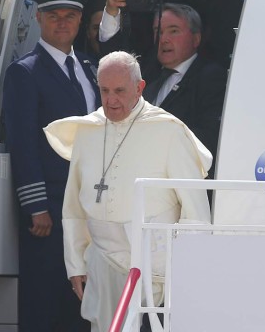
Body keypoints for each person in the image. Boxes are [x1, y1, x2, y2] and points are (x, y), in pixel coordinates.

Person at [44, 51, 211, 332]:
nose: (111, 100)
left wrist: (184, 274)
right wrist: (75, 265)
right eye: (104, 90)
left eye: (120, 91)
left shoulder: (168, 130)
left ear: (139, 87)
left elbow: (196, 212)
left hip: (152, 266)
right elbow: (73, 208)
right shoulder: (88, 130)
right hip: (101, 262)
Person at [2, 0, 99, 332]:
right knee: (46, 298)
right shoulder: (25, 72)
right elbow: (23, 142)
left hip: (90, 207)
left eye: (70, 15)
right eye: (54, 15)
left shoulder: (91, 68)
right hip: (51, 209)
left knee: (85, 296)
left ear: (79, 19)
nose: (63, 23)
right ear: (40, 19)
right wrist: (35, 205)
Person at [100, 0, 227, 178]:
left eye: (173, 31)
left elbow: (208, 136)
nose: (164, 39)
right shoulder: (148, 71)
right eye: (158, 31)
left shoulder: (211, 78)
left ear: (196, 39)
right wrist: (112, 9)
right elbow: (112, 60)